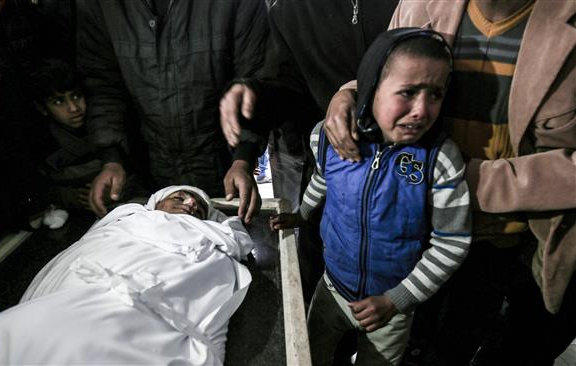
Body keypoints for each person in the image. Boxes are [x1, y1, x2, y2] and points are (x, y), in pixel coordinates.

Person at [323, 1, 576, 364]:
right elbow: (388, 70)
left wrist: (461, 182)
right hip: (411, 236)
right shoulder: (419, 5)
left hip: (514, 246)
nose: (423, 109)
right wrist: (347, 95)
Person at [270, 28, 472, 365]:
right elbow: (323, 177)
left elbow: (452, 243)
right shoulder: (329, 135)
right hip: (331, 290)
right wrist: (303, 213)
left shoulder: (440, 159)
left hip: (390, 310)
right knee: (310, 356)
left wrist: (396, 300)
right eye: (407, 92)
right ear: (371, 87)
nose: (422, 109)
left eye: (435, 94)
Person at [0, 185, 254, 366]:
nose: (189, 204)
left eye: (198, 206)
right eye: (180, 196)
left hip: (155, 298)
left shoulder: (212, 237)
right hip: (94, 278)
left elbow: (211, 270)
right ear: (156, 202)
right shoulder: (127, 219)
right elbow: (93, 245)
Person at [219, 0, 398, 300]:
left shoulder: (410, 5)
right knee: (319, 281)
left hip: (401, 176)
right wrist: (256, 95)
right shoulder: (290, 11)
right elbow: (285, 86)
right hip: (332, 173)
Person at [77, 0, 268, 224]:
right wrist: (112, 159)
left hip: (221, 169)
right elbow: (103, 85)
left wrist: (242, 159)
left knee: (220, 245)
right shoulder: (102, 6)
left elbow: (254, 77)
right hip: (145, 172)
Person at [28, 58, 100, 213]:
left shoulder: (104, 128)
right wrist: (74, 197)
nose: (73, 108)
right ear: (42, 108)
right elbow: (41, 189)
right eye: (58, 102)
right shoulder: (42, 145)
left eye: (76, 96)